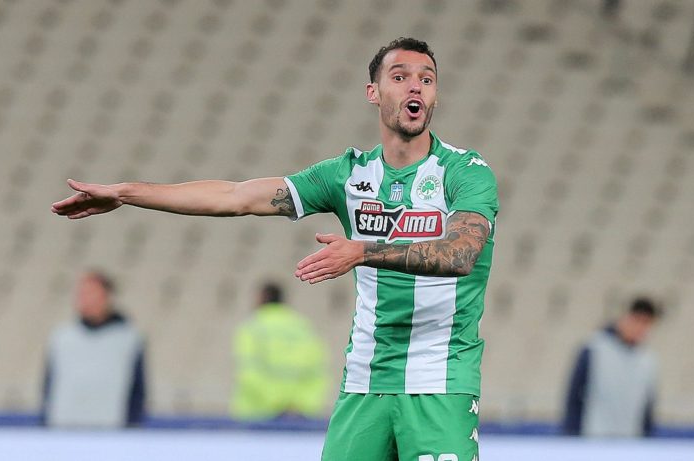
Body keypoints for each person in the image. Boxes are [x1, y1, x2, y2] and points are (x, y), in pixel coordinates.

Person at [52, 37, 498, 460]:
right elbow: (236, 196)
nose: (415, 86)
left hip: (441, 381)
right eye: (400, 77)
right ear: (373, 92)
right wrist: (127, 193)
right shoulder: (348, 175)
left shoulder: (465, 172)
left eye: (426, 78)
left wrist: (362, 251)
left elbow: (461, 253)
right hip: (366, 383)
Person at [42, 270, 146, 428]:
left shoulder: (128, 339)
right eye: (82, 294)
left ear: (107, 297)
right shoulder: (62, 337)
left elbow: (137, 389)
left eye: (91, 294)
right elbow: (49, 386)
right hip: (64, 428)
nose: (85, 300)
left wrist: (131, 426)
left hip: (109, 429)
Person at [562, 297, 661, 438]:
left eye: (646, 324)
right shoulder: (594, 349)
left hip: (630, 440)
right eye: (637, 321)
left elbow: (647, 407)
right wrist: (572, 435)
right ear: (626, 318)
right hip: (593, 439)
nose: (640, 328)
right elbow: (575, 396)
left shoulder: (648, 360)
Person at [230, 282, 329, 420]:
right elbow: (317, 373)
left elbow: (248, 373)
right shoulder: (303, 328)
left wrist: (276, 405)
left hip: (257, 415)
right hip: (297, 416)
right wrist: (300, 406)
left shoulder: (253, 327)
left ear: (262, 297)